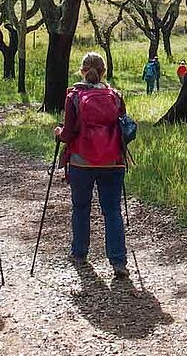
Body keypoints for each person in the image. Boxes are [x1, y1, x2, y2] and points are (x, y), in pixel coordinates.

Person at [54, 52, 130, 279]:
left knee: (81, 208)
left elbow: (67, 134)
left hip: (81, 161)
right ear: (103, 71)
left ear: (82, 71)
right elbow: (124, 127)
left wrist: (58, 133)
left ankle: (79, 253)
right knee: (112, 211)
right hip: (113, 162)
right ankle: (118, 261)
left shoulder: (74, 96)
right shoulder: (115, 95)